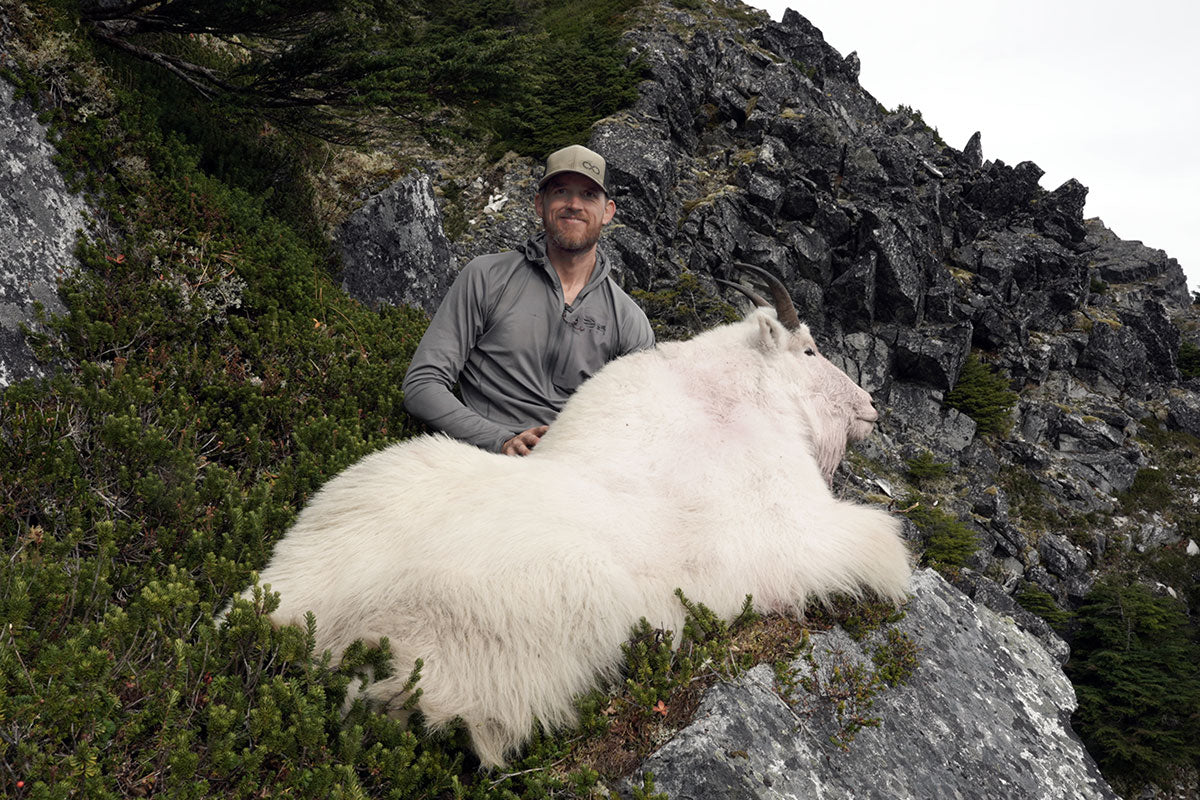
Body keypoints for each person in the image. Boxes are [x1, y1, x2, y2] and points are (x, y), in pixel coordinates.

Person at [402, 144, 655, 455]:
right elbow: (422, 385)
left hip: (572, 471)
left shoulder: (629, 322)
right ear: (539, 204)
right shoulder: (486, 277)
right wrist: (500, 440)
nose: (573, 204)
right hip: (480, 462)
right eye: (561, 191)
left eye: (589, 195)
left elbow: (640, 424)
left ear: (608, 212)